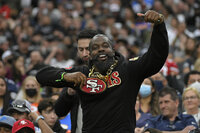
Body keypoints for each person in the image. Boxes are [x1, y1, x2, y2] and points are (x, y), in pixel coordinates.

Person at [36, 10, 168, 132]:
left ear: (113, 50)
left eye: (105, 46)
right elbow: (41, 75)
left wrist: (159, 26)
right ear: (91, 55)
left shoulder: (129, 69)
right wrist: (66, 76)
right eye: (95, 47)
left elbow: (156, 57)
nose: (100, 49)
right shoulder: (82, 73)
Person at [54, 29, 99, 133]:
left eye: (88, 49)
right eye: (81, 49)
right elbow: (59, 111)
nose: (84, 54)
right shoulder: (76, 74)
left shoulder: (111, 74)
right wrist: (69, 93)